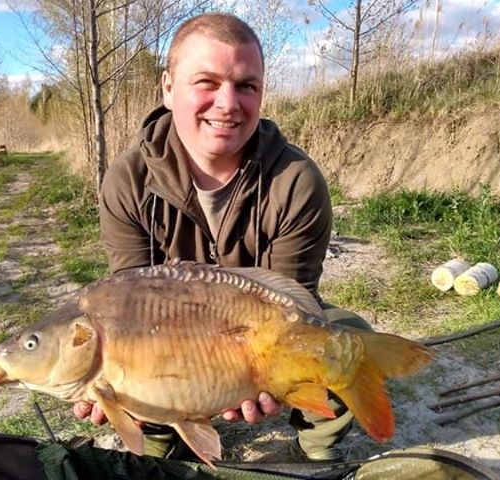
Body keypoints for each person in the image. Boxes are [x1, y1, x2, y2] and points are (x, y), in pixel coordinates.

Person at [74, 12, 369, 463]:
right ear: (168, 87)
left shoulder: (296, 180)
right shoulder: (128, 181)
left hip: (259, 330)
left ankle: (315, 453)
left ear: (262, 92)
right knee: (129, 363)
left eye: (246, 86)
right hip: (167, 337)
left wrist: (252, 374)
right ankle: (161, 442)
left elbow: (294, 302)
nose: (228, 104)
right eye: (207, 83)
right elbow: (128, 304)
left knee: (346, 340)